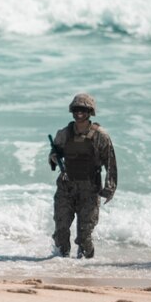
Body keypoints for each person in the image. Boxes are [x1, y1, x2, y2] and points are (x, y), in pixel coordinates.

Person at [48, 93, 117, 258]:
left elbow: (110, 163)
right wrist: (53, 157)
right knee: (61, 230)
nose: (79, 113)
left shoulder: (101, 136)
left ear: (90, 112)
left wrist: (110, 187)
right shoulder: (64, 133)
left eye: (83, 109)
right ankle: (60, 265)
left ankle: (86, 268)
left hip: (89, 188)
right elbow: (54, 154)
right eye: (76, 109)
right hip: (66, 186)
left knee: (84, 235)